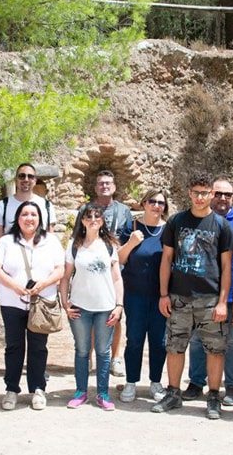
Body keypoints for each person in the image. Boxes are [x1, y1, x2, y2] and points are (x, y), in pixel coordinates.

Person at [151, 172, 233, 420]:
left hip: (209, 298)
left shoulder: (222, 225)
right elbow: (166, 259)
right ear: (189, 193)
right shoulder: (176, 222)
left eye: (204, 193)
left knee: (215, 350)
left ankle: (213, 397)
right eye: (196, 192)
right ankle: (173, 393)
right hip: (179, 297)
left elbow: (227, 266)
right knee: (175, 347)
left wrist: (222, 302)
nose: (200, 197)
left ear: (211, 194)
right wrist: (164, 294)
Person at [0, 201, 65, 410]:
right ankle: (12, 389)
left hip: (42, 303)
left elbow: (60, 269)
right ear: (18, 218)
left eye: (33, 214)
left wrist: (43, 284)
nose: (29, 218)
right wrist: (14, 286)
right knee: (14, 346)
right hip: (12, 302)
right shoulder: (6, 241)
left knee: (38, 347)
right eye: (25, 214)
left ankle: (38, 388)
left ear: (40, 218)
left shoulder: (50, 241)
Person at [184, 177, 233, 406]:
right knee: (198, 339)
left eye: (227, 195)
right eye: (218, 193)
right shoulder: (196, 220)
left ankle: (231, 385)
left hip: (230, 295)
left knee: (232, 341)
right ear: (210, 194)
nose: (222, 198)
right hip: (200, 291)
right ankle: (196, 382)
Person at [61, 203, 124, 411]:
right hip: (80, 306)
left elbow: (116, 278)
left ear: (103, 221)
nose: (93, 219)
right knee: (82, 350)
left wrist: (118, 305)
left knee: (104, 352)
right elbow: (65, 277)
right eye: (89, 216)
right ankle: (81, 391)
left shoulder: (109, 245)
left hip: (105, 306)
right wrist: (65, 302)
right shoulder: (74, 245)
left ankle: (103, 394)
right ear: (82, 220)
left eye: (98, 216)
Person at [75, 170, 134, 377]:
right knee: (89, 314)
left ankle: (115, 358)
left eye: (108, 183)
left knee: (114, 316)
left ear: (115, 187)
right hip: (90, 272)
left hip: (116, 269)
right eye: (100, 183)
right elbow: (77, 237)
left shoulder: (123, 211)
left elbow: (127, 242)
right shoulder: (85, 209)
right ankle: (89, 357)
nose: (104, 186)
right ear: (95, 187)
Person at [117, 189, 169, 403]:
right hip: (135, 294)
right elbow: (119, 259)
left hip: (160, 296)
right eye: (152, 201)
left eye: (161, 203)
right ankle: (130, 382)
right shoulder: (132, 227)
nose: (156, 206)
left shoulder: (168, 230)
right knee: (135, 339)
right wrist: (131, 243)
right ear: (144, 203)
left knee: (159, 340)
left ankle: (155, 382)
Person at [0, 162, 56, 241]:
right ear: (15, 179)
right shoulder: (2, 206)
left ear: (35, 180)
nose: (26, 179)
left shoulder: (47, 206)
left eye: (30, 176)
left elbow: (50, 242)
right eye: (22, 176)